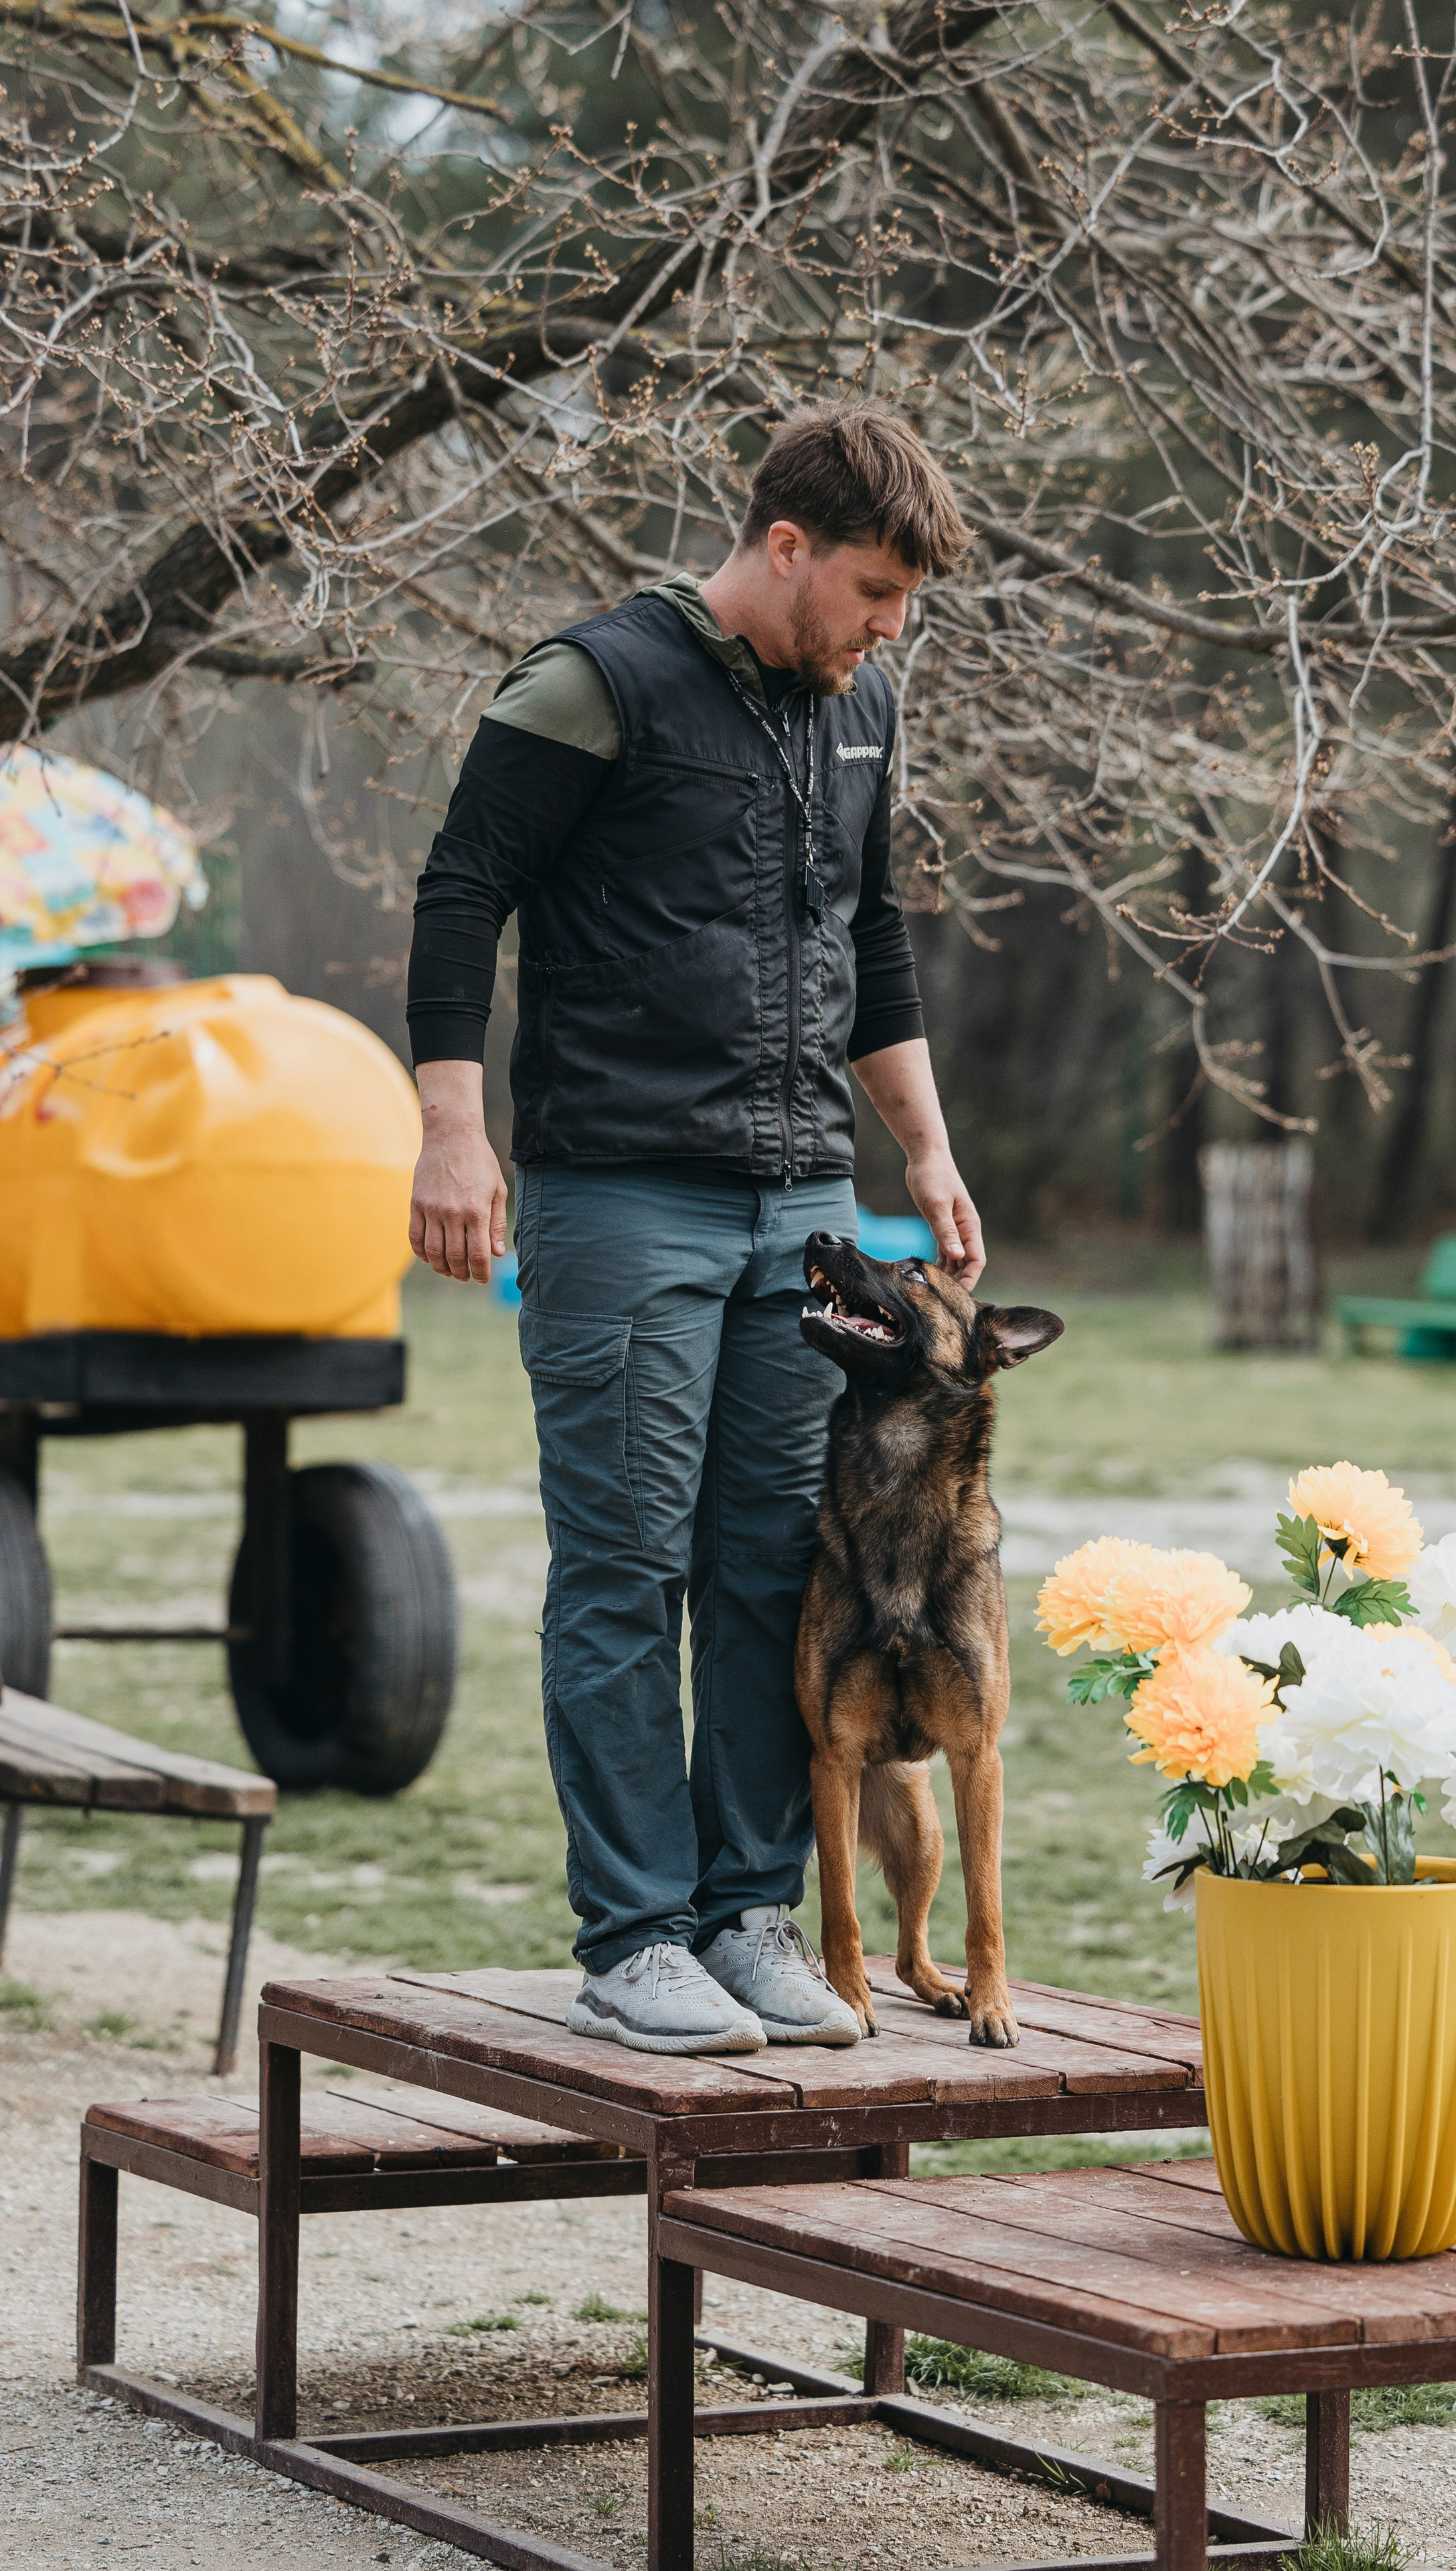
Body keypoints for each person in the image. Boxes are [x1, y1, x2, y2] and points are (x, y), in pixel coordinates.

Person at [405, 405, 984, 2055]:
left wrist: (923, 1151)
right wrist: (454, 1127)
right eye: (871, 590)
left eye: (902, 609)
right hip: (618, 1199)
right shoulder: (591, 683)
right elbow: (461, 894)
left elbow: (868, 937)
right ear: (782, 548)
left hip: (800, 1214)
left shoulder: (854, 706)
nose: (887, 632)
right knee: (623, 1571)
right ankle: (635, 1938)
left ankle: (746, 1917)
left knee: (767, 1574)